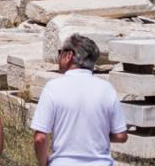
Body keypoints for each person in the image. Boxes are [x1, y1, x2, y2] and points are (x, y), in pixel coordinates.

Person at [31, 34, 127, 166]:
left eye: (60, 52)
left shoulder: (53, 88)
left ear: (69, 55)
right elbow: (121, 136)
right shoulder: (107, 89)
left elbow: (40, 138)